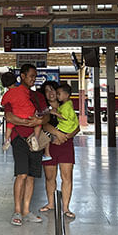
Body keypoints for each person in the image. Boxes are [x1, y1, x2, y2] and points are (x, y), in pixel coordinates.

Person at [2, 64, 50, 226]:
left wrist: (39, 120)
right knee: (21, 174)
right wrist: (25, 122)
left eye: (35, 76)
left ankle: (26, 211)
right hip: (19, 138)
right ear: (22, 76)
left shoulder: (37, 96)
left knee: (31, 176)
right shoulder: (13, 94)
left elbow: (46, 116)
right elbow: (9, 116)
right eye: (31, 76)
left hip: (35, 139)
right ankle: (17, 210)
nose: (33, 79)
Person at [39, 83, 79, 219]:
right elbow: (43, 124)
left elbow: (77, 126)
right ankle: (51, 203)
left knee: (67, 177)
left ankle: (66, 207)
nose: (50, 93)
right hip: (49, 145)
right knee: (50, 177)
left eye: (53, 90)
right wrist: (57, 133)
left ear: (59, 93)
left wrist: (65, 137)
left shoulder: (66, 107)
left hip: (66, 144)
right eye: (46, 91)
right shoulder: (44, 109)